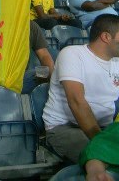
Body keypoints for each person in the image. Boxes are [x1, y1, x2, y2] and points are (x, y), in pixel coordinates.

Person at [42, 14, 119, 163]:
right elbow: (77, 102)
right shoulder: (72, 54)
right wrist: (101, 143)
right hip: (64, 129)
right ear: (106, 37)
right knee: (106, 158)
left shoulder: (116, 61)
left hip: (105, 128)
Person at [21, 21, 55, 94]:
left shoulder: (30, 25)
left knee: (47, 72)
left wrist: (52, 78)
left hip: (22, 76)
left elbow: (44, 55)